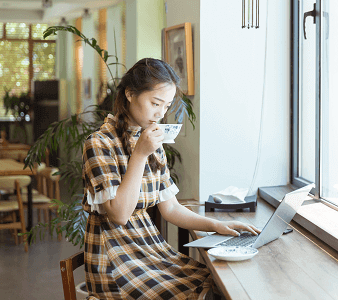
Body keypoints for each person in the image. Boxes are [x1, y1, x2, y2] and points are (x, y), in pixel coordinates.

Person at [82, 57, 260, 300]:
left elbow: (172, 208)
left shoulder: (152, 141)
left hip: (149, 249)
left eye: (165, 107)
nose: (160, 113)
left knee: (217, 280)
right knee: (198, 291)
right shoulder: (99, 143)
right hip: (115, 258)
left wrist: (216, 226)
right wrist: (140, 154)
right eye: (155, 103)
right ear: (130, 94)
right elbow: (120, 215)